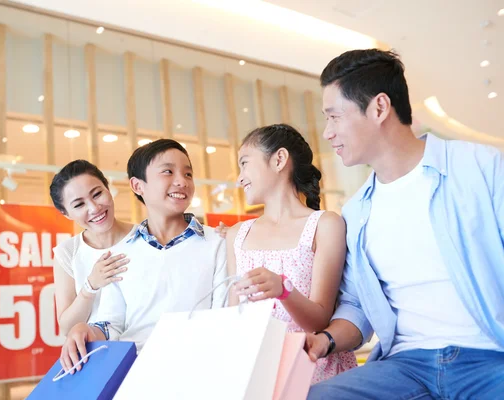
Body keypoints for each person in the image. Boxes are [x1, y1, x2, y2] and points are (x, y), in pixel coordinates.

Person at [306, 49, 504, 399]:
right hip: (406, 366)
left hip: (490, 357)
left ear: (379, 108)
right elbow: (356, 306)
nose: (327, 132)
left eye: (334, 117)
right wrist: (326, 339)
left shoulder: (482, 168)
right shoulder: (355, 213)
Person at [59, 139, 228, 373]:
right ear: (138, 186)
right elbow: (112, 322)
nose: (182, 181)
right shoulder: (121, 252)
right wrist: (86, 331)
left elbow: (226, 317)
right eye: (168, 171)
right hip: (137, 373)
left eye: (188, 174)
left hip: (200, 370)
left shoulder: (218, 243)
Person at [226, 123, 357, 384]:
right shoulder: (236, 234)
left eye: (245, 163)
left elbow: (319, 320)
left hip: (312, 370)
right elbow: (234, 319)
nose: (239, 178)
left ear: (279, 159)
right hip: (256, 373)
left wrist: (283, 290)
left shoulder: (325, 225)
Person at [50, 160, 135, 336]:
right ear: (66, 213)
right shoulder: (68, 252)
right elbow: (67, 328)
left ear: (108, 189)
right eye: (79, 205)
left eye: (97, 194)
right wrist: (90, 286)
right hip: (102, 354)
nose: (94, 208)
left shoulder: (145, 236)